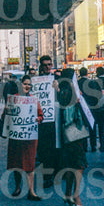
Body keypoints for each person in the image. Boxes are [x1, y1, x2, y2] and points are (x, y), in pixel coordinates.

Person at [5, 75, 44, 200]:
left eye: (29, 84)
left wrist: (39, 119)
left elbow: (41, 115)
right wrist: (6, 111)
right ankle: (17, 187)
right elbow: (5, 118)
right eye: (25, 84)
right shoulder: (13, 99)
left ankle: (31, 191)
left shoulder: (34, 100)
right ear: (20, 84)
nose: (27, 86)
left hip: (30, 137)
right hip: (16, 137)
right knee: (16, 162)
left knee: (30, 163)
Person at [59, 68, 88, 206]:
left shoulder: (62, 90)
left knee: (70, 164)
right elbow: (68, 116)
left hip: (66, 135)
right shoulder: (69, 92)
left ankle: (68, 194)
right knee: (79, 165)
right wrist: (76, 102)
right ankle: (76, 195)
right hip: (74, 133)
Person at [36, 55, 61, 189]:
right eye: (45, 64)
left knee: (55, 148)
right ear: (41, 66)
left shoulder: (57, 79)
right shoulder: (35, 80)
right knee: (44, 150)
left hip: (54, 120)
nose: (47, 67)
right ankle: (47, 176)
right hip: (41, 121)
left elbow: (64, 97)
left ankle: (55, 173)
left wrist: (57, 89)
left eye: (49, 64)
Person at [77, 67, 99, 152]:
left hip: (81, 107)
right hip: (91, 108)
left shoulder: (78, 83)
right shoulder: (92, 82)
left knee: (83, 127)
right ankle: (93, 145)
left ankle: (84, 146)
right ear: (87, 73)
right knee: (92, 127)